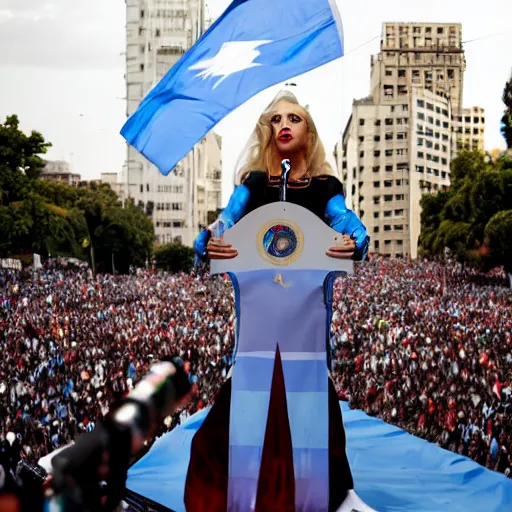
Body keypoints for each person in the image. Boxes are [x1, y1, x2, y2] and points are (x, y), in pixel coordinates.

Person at [189, 91, 371, 512]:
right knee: (232, 423)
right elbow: (225, 221)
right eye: (275, 119)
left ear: (309, 132)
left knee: (314, 418)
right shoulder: (251, 185)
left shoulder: (326, 186)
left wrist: (354, 241)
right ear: (267, 131)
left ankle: (326, 497)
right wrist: (209, 241)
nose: (284, 124)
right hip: (258, 328)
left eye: (295, 118)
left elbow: (347, 222)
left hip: (304, 325)